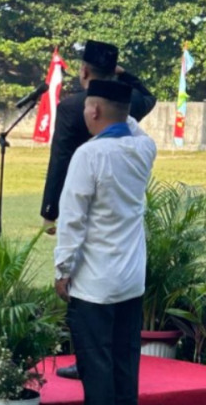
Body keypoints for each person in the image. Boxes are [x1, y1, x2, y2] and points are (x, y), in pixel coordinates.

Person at [41, 40, 156, 380]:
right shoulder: (139, 132)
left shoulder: (74, 107)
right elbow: (146, 98)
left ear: (85, 71)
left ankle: (90, 377)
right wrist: (123, 75)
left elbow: (60, 156)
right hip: (124, 207)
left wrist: (50, 209)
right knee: (122, 347)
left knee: (89, 307)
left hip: (86, 194)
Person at [54, 79, 156, 405]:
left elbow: (72, 220)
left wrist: (62, 269)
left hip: (95, 278)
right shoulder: (144, 148)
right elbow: (131, 123)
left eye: (86, 105)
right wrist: (123, 84)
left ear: (93, 111)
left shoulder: (89, 155)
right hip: (131, 275)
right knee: (125, 357)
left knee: (96, 361)